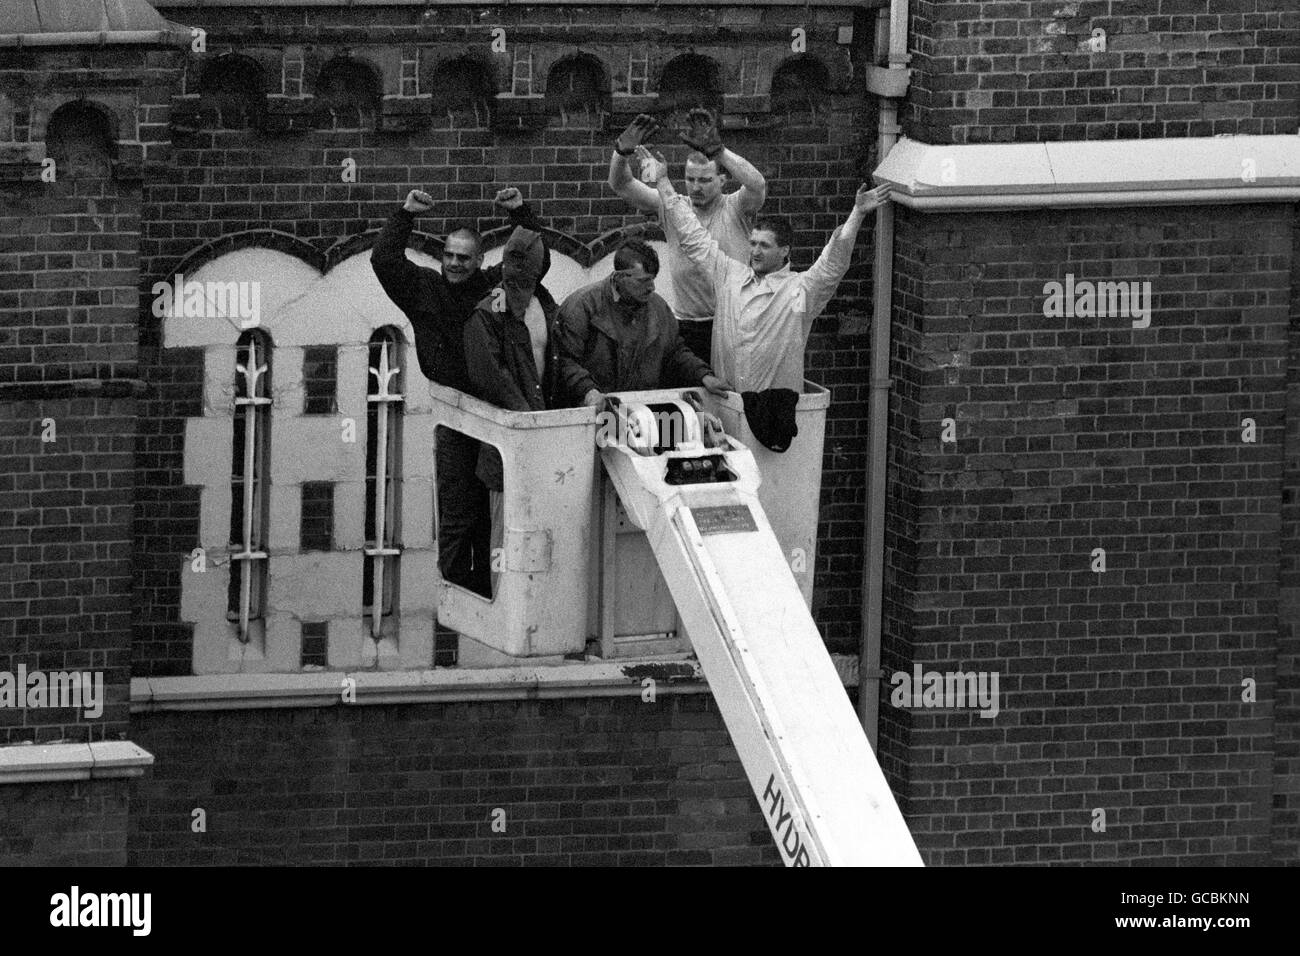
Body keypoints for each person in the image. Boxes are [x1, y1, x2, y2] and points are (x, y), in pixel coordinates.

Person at [370, 185, 547, 598]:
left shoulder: (491, 288)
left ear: (479, 260)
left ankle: (488, 588)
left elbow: (536, 261)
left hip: (488, 410)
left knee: (488, 501)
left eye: (463, 257)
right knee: (455, 504)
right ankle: (453, 586)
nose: (453, 263)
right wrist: (405, 215)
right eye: (448, 255)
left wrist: (521, 214)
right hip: (452, 410)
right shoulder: (425, 288)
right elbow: (384, 260)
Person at [638, 144, 892, 394]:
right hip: (727, 400)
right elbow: (691, 235)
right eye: (753, 243)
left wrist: (857, 214)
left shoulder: (799, 290)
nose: (756, 251)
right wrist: (662, 182)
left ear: (785, 251)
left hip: (775, 409)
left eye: (765, 245)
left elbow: (833, 263)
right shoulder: (730, 276)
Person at [606, 109, 766, 367]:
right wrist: (621, 153)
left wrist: (720, 152)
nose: (696, 187)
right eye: (690, 179)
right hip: (687, 324)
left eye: (705, 180)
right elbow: (621, 185)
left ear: (723, 179)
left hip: (732, 321)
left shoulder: (736, 206)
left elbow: (757, 184)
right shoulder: (674, 206)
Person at [462, 224, 558, 593]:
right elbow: (492, 380)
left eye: (522, 262)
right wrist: (531, 423)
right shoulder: (487, 315)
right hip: (506, 450)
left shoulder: (544, 308)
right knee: (504, 536)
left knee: (542, 532)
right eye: (511, 261)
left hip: (545, 444)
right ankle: (504, 607)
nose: (514, 270)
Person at [554, 238, 731, 409]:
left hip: (643, 414)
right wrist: (588, 392)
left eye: (653, 279)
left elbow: (675, 353)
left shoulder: (659, 308)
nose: (651, 287)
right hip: (592, 412)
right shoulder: (582, 306)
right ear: (620, 277)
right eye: (643, 281)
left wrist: (703, 375)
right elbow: (564, 360)